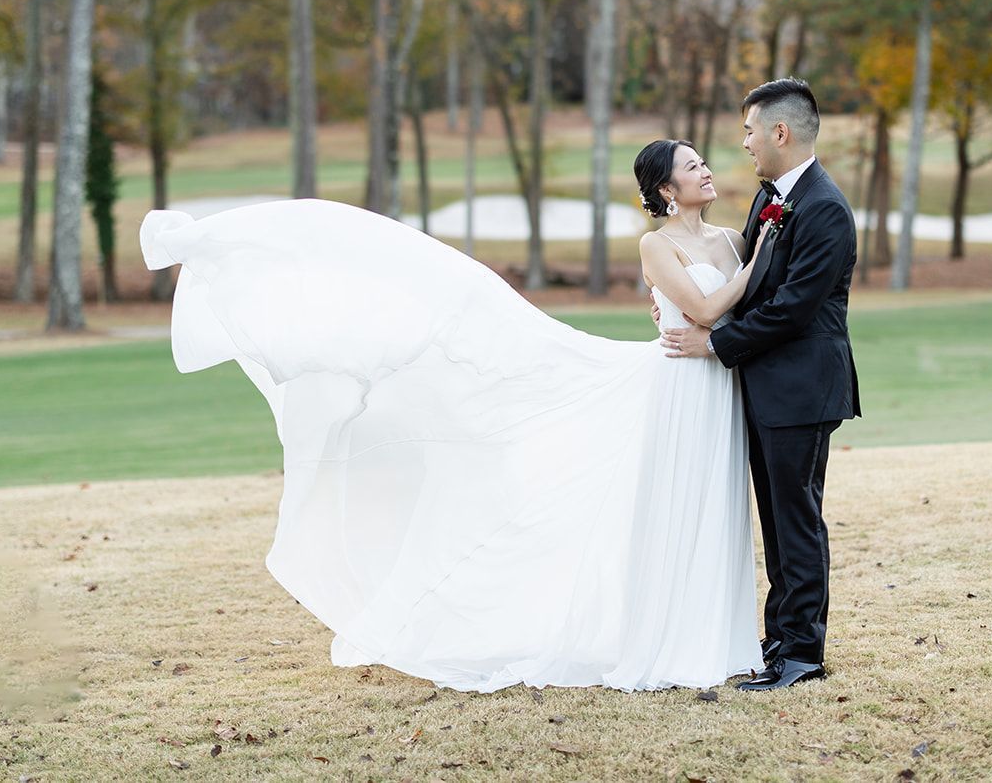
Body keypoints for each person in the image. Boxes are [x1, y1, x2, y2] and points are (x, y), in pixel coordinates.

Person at [138, 142, 770, 692]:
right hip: (679, 387)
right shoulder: (656, 244)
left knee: (714, 505)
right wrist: (758, 264)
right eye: (693, 166)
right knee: (676, 505)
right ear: (666, 188)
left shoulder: (728, 240)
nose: (708, 171)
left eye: (705, 162)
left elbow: (716, 314)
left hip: (718, 383)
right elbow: (712, 310)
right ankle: (671, 641)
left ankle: (716, 638)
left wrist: (736, 274)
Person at [660, 77, 861, 690]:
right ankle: (780, 641)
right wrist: (681, 307)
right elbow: (752, 285)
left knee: (796, 519)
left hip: (802, 389)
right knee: (776, 519)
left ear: (780, 132)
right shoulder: (772, 198)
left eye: (749, 130)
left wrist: (713, 343)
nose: (743, 142)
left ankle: (801, 654)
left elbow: (792, 308)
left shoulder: (824, 208)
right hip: (768, 386)